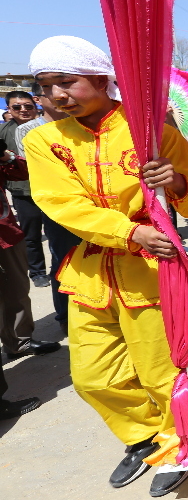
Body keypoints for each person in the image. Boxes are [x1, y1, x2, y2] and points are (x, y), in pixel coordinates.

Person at [26, 35, 188, 497]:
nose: (56, 95)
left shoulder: (151, 128)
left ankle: (178, 441)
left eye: (66, 82)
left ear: (100, 76)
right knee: (91, 376)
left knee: (160, 369)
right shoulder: (44, 140)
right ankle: (142, 433)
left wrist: (177, 181)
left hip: (151, 269)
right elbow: (61, 204)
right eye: (46, 87)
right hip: (91, 269)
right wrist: (128, 232)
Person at [14, 83, 83, 329]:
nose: (61, 96)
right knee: (63, 258)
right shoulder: (29, 131)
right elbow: (39, 168)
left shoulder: (79, 123)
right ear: (40, 98)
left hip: (88, 202)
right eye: (50, 91)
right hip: (57, 205)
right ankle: (65, 315)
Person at [0, 139, 61, 359]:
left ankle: (19, 342)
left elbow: (22, 173)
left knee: (16, 290)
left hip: (4, 233)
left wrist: (6, 157)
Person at [0, 90, 49, 288]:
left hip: (53, 190)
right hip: (23, 192)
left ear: (36, 105)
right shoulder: (3, 132)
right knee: (31, 235)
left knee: (60, 235)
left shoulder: (49, 126)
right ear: (9, 110)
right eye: (17, 107)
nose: (23, 110)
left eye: (28, 106)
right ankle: (37, 272)